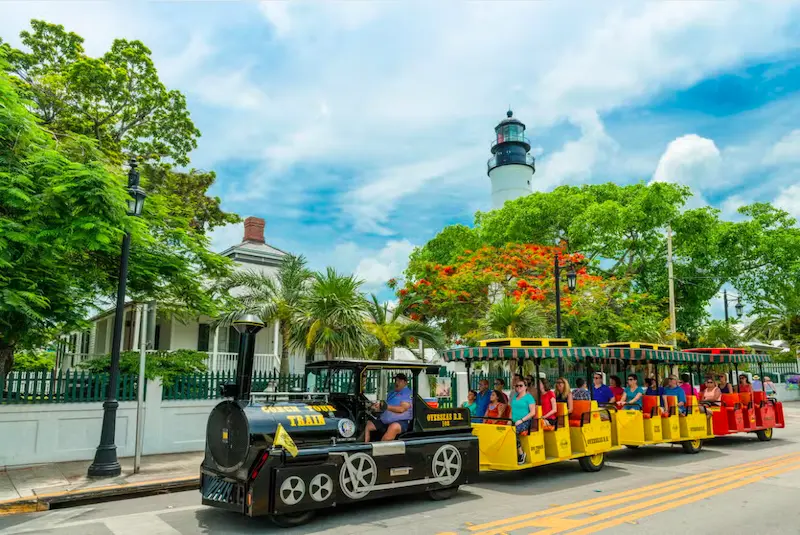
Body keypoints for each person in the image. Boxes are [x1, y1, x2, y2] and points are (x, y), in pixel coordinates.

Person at [365, 373, 413, 442]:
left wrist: (386, 407)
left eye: (399, 381)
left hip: (400, 422)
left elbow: (401, 409)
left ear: (405, 382)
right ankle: (366, 446)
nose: (396, 383)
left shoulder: (407, 393)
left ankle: (380, 450)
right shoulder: (391, 393)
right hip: (385, 420)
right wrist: (376, 407)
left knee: (393, 427)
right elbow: (384, 406)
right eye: (396, 380)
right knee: (369, 425)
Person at [510, 379, 537, 464]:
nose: (518, 387)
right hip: (514, 421)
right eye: (517, 386)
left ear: (525, 387)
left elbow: (533, 412)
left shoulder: (529, 397)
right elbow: (512, 410)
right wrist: (509, 421)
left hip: (525, 422)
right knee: (503, 430)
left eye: (521, 385)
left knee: (512, 432)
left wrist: (521, 420)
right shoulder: (515, 397)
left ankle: (521, 453)